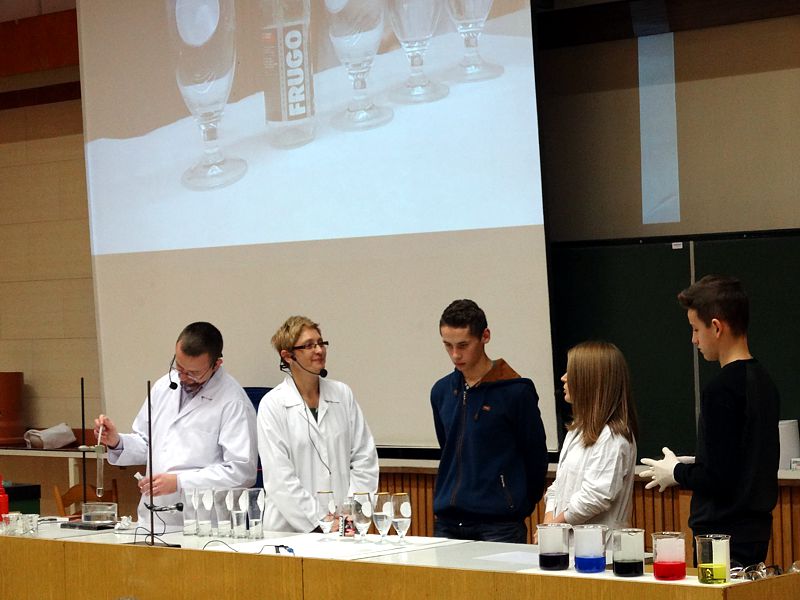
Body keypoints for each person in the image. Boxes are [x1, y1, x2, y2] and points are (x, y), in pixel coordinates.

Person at [641, 275, 780, 567]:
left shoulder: (720, 390)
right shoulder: (765, 382)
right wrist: (699, 461)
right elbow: (741, 460)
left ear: (716, 327)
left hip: (720, 537)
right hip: (754, 532)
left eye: (695, 329)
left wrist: (676, 472)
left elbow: (719, 478)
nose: (694, 339)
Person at [94, 322, 258, 529]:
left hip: (204, 522)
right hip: (154, 517)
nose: (182, 377)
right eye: (179, 367)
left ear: (216, 364)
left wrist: (180, 482)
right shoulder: (164, 386)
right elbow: (148, 443)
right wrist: (117, 442)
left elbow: (241, 472)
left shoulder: (233, 401)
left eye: (193, 372)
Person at [431, 299, 548, 543]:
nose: (455, 354)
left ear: (485, 336)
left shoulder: (515, 392)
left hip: (499, 525)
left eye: (463, 345)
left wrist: (516, 505)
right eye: (447, 345)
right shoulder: (441, 391)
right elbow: (448, 449)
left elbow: (535, 458)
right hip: (448, 523)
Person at [257, 316, 378, 532]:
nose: (319, 350)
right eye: (309, 345)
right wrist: (321, 521)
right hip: (289, 531)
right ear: (287, 356)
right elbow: (280, 478)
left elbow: (364, 459)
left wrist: (352, 513)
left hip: (343, 527)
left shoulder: (342, 395)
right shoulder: (273, 404)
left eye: (321, 343)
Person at [542, 341, 638, 533]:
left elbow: (595, 497)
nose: (563, 378)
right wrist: (548, 522)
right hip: (567, 542)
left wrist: (555, 527)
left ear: (590, 380)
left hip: (600, 546)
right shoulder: (576, 431)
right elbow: (558, 485)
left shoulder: (612, 436)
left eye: (571, 372)